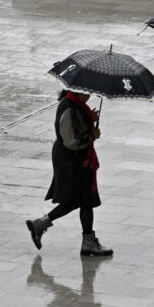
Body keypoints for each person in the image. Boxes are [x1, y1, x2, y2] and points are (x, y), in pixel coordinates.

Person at [26, 89, 113, 256]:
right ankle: (87, 241)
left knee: (81, 199)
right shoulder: (69, 108)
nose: (90, 95)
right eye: (88, 92)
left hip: (78, 160)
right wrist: (92, 136)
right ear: (78, 92)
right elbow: (71, 141)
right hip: (71, 161)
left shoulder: (77, 105)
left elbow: (76, 128)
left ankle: (41, 225)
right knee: (82, 199)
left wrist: (89, 119)